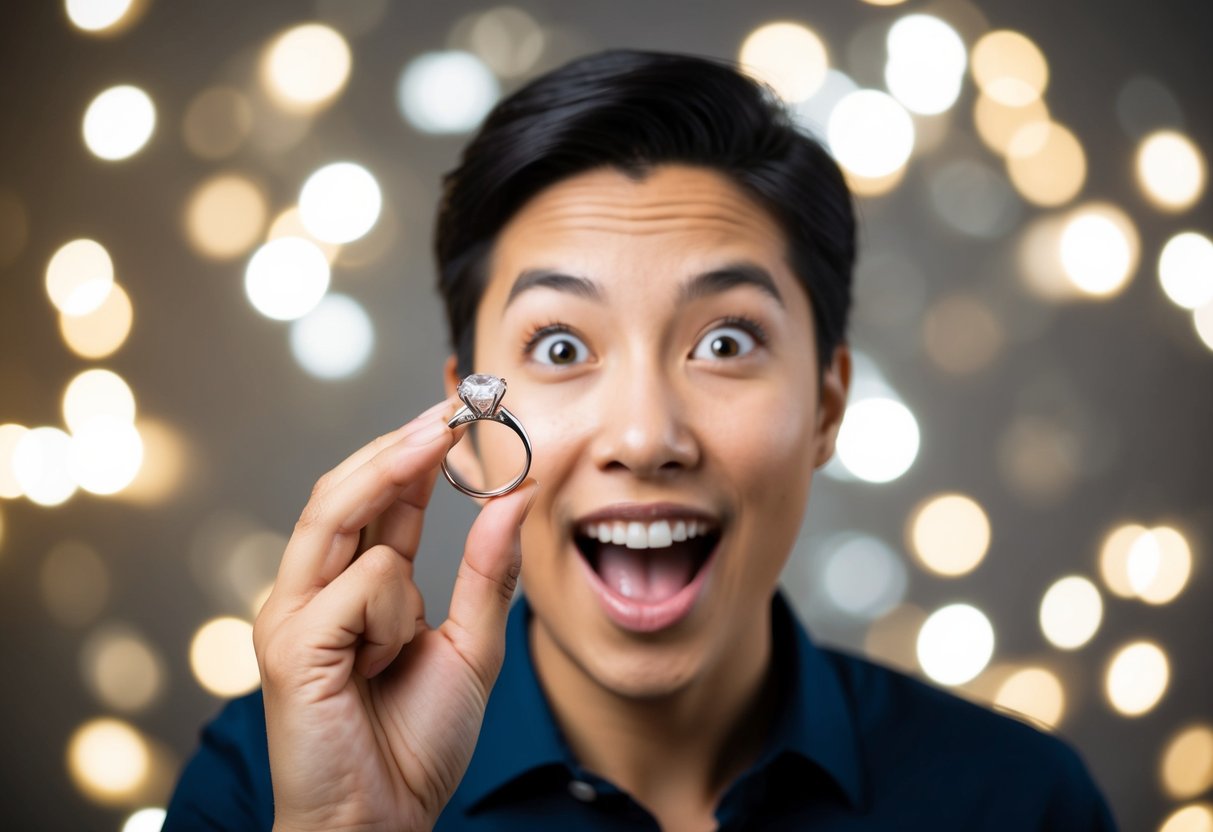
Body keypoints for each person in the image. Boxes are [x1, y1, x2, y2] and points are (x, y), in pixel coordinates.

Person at [164, 49, 1116, 831]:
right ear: (466, 427)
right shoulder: (266, 787)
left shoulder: (1020, 802)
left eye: (725, 341)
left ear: (827, 408)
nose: (645, 435)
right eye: (563, 345)